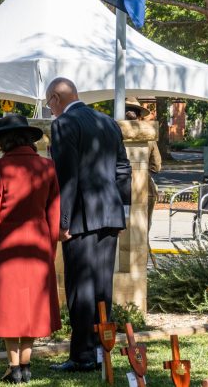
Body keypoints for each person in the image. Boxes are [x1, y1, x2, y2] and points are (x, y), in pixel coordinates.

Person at [45, 78, 131, 374]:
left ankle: (82, 356)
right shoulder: (108, 123)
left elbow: (65, 178)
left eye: (49, 104)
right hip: (110, 215)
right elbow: (123, 169)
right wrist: (123, 210)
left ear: (56, 97)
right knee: (101, 288)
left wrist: (62, 222)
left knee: (80, 290)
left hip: (80, 219)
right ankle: (100, 350)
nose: (50, 111)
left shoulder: (63, 124)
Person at [0, 114, 61, 384]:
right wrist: (50, 249)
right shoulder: (47, 167)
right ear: (28, 138)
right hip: (38, 244)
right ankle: (26, 363)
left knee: (10, 306)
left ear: (3, 141)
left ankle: (14, 367)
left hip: (7, 246)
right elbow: (54, 213)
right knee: (31, 305)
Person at [124, 98, 161, 231]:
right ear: (139, 117)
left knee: (122, 231)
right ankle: (146, 252)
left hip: (120, 190)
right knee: (143, 229)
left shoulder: (113, 135)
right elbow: (157, 166)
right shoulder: (148, 138)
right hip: (145, 189)